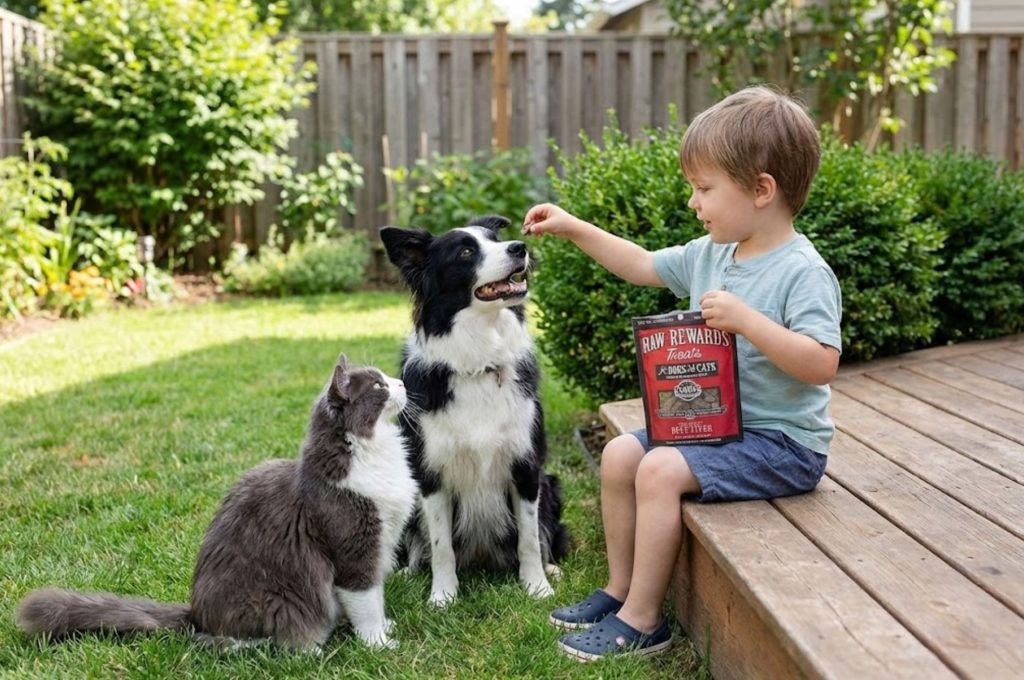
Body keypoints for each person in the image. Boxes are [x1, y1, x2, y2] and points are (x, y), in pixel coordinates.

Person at [521, 85, 842, 662]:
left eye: (704, 189)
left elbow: (821, 363)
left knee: (661, 468)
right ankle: (620, 593)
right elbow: (642, 264)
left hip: (782, 442)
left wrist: (747, 322)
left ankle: (645, 622)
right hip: (716, 429)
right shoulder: (712, 252)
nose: (695, 202)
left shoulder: (803, 272)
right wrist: (575, 227)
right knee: (622, 454)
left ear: (762, 189)